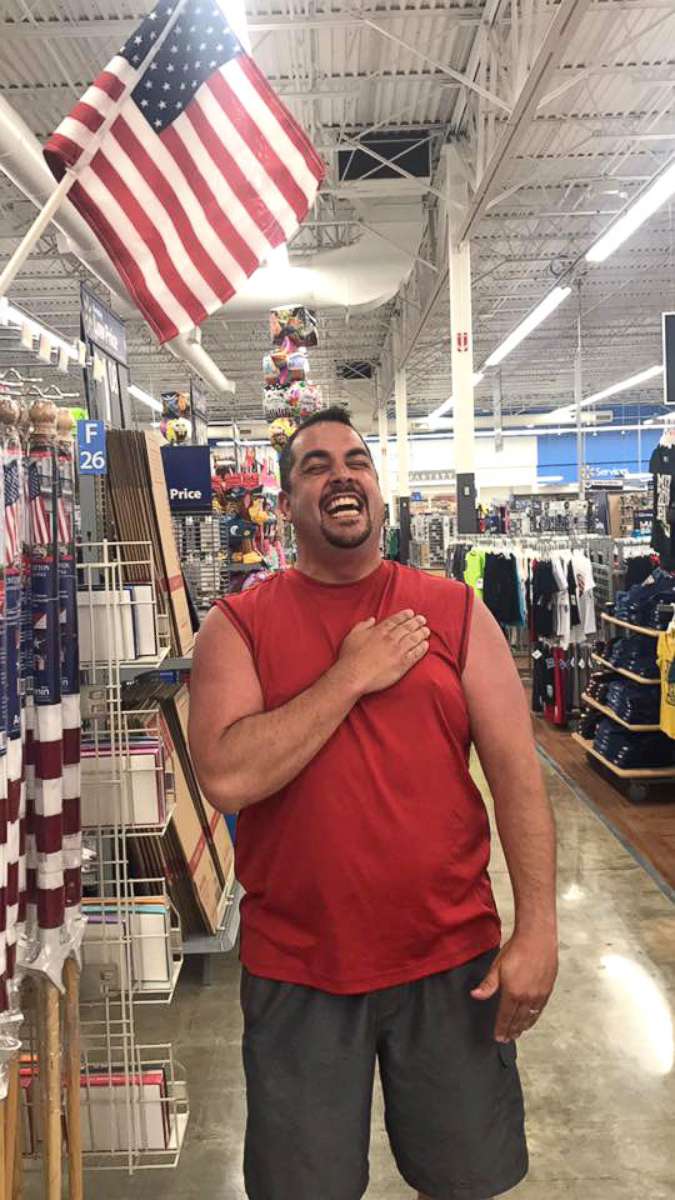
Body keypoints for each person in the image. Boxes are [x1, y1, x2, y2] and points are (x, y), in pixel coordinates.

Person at [189, 407, 558, 1200]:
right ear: (285, 505)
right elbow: (225, 777)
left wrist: (539, 929)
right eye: (315, 466)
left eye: (355, 460)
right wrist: (349, 676)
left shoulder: (454, 610)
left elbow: (516, 776)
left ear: (378, 492)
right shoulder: (237, 626)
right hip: (299, 972)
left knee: (463, 1180)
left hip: (451, 962)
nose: (340, 474)